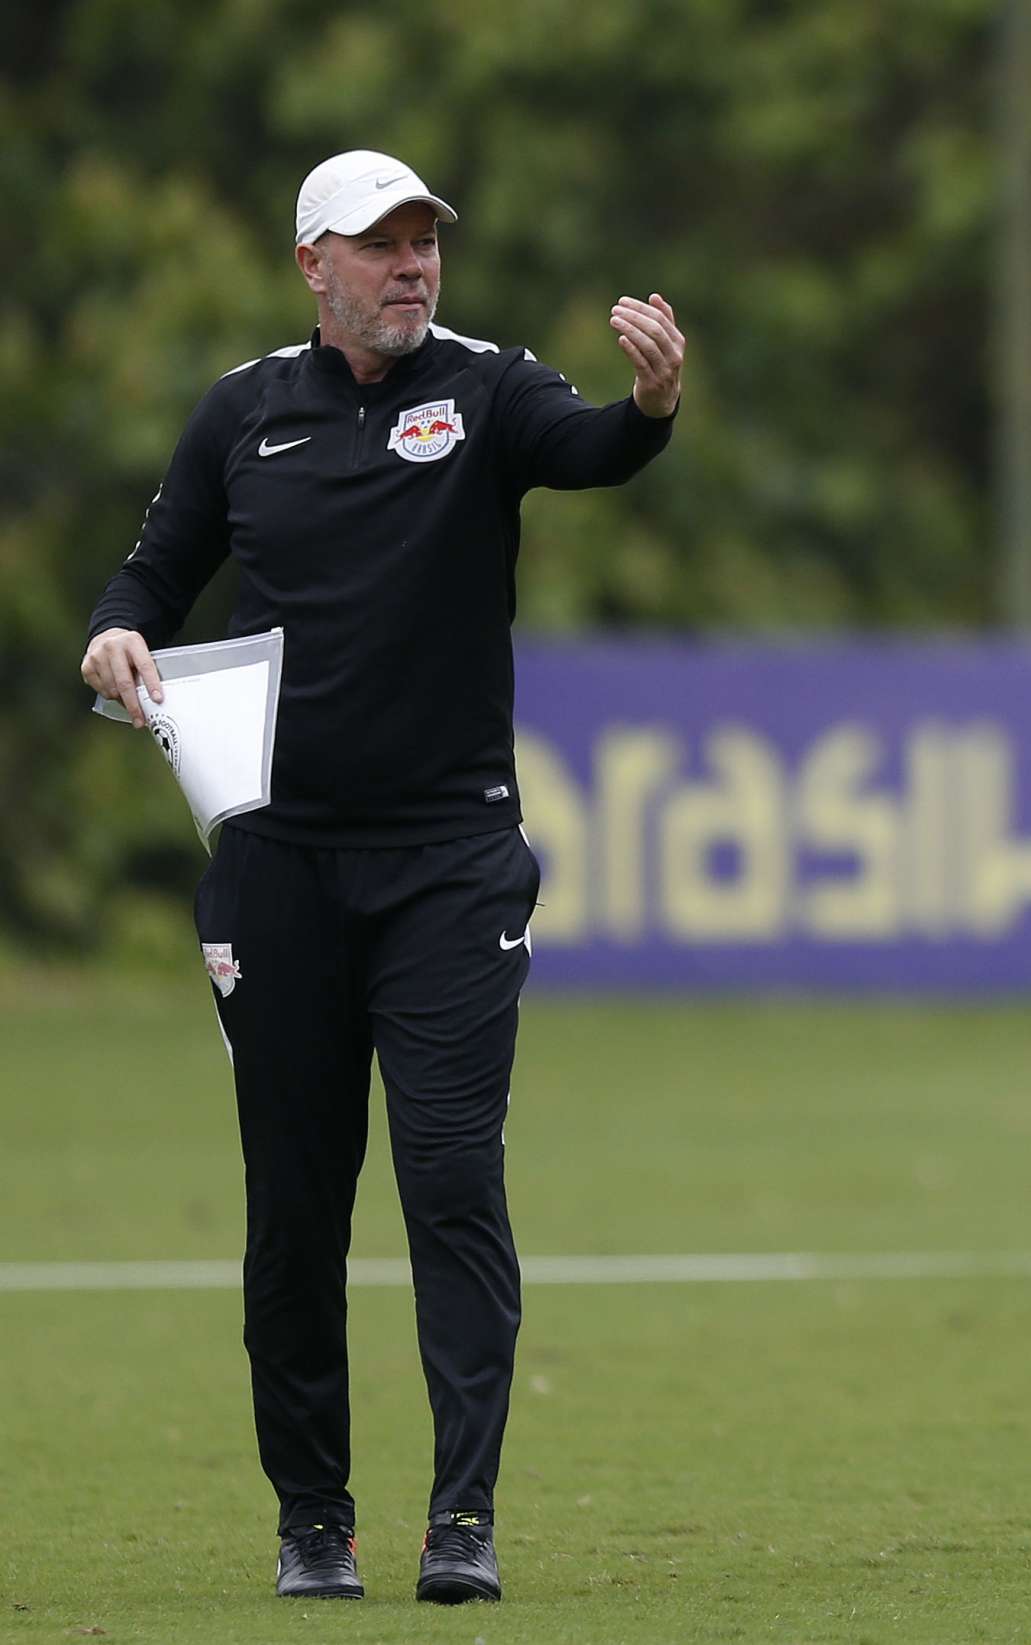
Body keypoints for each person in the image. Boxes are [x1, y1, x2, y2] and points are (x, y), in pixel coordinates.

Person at [79, 149, 686, 1605]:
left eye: (425, 240)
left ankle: (462, 1517)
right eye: (381, 243)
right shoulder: (245, 412)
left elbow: (592, 447)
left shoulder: (485, 390)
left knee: (451, 1179)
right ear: (314, 265)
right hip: (278, 869)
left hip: (450, 865)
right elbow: (152, 578)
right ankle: (313, 1520)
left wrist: (653, 405)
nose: (412, 263)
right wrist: (113, 638)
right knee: (296, 1202)